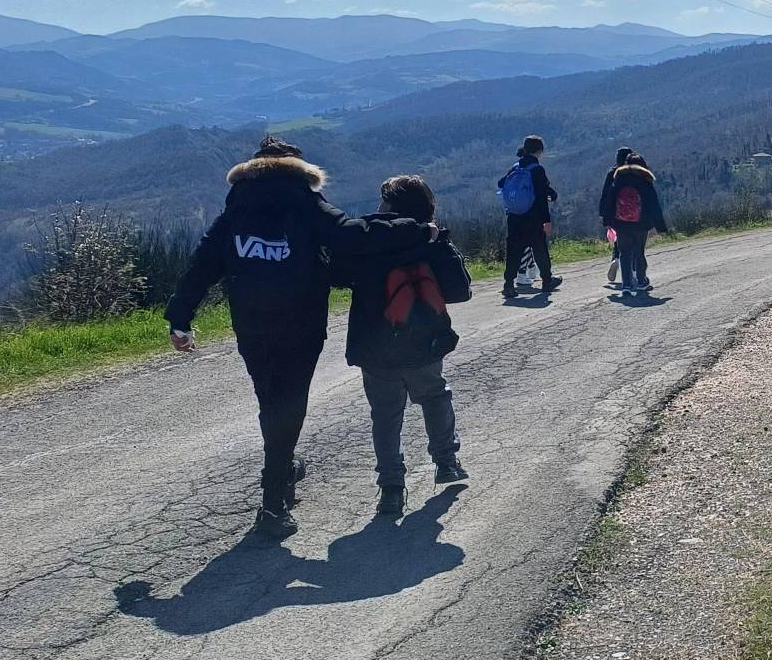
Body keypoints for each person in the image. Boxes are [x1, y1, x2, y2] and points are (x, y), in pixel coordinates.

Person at [166, 136, 435, 539]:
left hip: (251, 324)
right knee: (289, 402)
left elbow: (202, 264)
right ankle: (273, 503)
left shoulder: (236, 209)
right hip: (301, 324)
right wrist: (416, 230)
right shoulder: (305, 201)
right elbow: (353, 234)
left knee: (271, 400)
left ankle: (282, 469)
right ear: (297, 168)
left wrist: (180, 319)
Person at [332, 175, 472, 516]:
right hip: (424, 342)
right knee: (435, 396)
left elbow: (336, 275)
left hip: (375, 346)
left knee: (385, 414)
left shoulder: (367, 240)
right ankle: (446, 462)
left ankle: (391, 489)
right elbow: (460, 290)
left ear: (390, 206)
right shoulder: (430, 238)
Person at [498, 135, 560, 299]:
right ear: (539, 151)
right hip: (533, 217)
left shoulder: (515, 168)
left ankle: (508, 284)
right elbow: (541, 197)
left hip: (514, 216)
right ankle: (547, 280)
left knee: (514, 251)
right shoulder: (537, 170)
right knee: (539, 249)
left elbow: (500, 183)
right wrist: (546, 220)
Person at [601, 153, 669, 294]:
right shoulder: (645, 181)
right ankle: (641, 281)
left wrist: (607, 220)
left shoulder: (618, 180)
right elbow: (654, 205)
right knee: (639, 252)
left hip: (621, 223)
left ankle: (626, 285)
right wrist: (661, 227)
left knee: (624, 253)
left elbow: (610, 201)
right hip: (641, 223)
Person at [597, 147, 633, 287]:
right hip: (631, 212)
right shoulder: (634, 172)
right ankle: (632, 272)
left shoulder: (612, 173)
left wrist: (602, 214)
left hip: (614, 213)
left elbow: (604, 194)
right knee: (632, 241)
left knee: (619, 238)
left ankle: (616, 259)